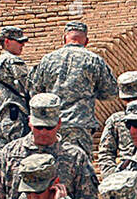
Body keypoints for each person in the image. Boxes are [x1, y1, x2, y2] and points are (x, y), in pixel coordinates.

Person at [0, 92, 101, 199]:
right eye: (38, 127)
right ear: (29, 122)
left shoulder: (75, 158)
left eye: (49, 127)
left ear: (59, 123)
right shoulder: (10, 154)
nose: (43, 132)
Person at [26, 20, 118, 156]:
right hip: (79, 126)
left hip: (50, 126)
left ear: (64, 39)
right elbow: (111, 92)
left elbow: (35, 92)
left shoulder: (47, 60)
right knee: (79, 171)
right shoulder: (94, 60)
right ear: (86, 41)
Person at [0, 26, 30, 150]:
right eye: (19, 42)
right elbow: (29, 85)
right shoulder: (11, 60)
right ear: (7, 42)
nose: (22, 45)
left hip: (2, 119)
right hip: (14, 118)